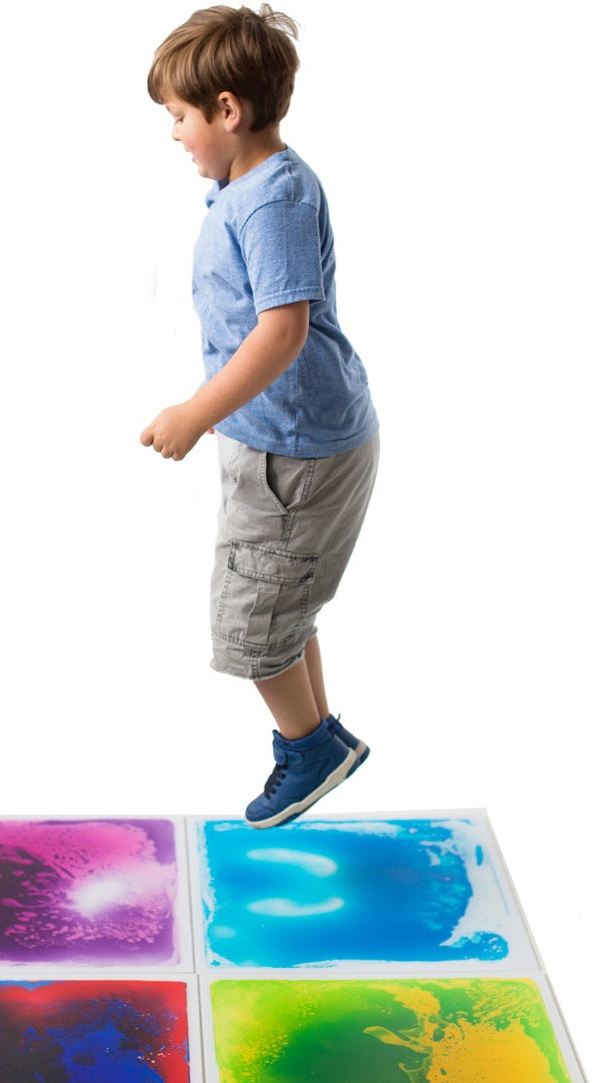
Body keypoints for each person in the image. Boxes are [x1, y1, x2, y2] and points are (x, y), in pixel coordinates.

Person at [141, 4, 380, 828]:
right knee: (281, 600)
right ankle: (320, 739)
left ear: (228, 110)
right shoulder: (247, 186)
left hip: (293, 455)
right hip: (283, 443)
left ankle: (311, 744)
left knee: (251, 622)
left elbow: (282, 331)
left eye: (180, 116)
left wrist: (195, 414)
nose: (174, 133)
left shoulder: (272, 199)